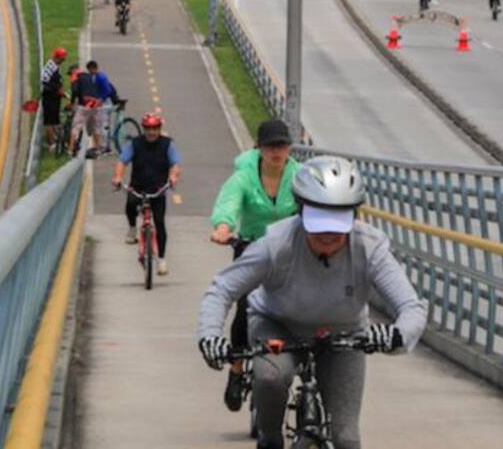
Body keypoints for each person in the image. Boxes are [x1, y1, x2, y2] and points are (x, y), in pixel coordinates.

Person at [197, 156, 426, 449]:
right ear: (301, 212)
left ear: (354, 217)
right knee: (270, 377)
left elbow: (411, 306)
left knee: (346, 438)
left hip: (344, 335)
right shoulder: (276, 243)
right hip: (278, 326)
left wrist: (396, 335)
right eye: (319, 224)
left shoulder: (369, 247)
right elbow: (222, 289)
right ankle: (269, 439)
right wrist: (210, 337)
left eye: (338, 224)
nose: (328, 235)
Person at [208, 119, 301, 412]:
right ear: (259, 148)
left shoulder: (299, 176)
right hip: (251, 248)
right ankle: (236, 370)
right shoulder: (244, 176)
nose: (276, 151)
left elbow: (315, 203)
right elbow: (229, 203)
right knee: (245, 309)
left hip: (289, 251)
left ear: (289, 148)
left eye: (282, 145)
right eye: (270, 146)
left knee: (302, 306)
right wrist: (223, 227)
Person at [111, 112, 181, 275]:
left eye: (155, 128)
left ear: (159, 128)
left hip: (158, 190)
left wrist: (173, 177)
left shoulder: (168, 145)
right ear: (143, 129)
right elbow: (122, 161)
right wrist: (118, 177)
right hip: (138, 187)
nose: (151, 132)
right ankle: (132, 228)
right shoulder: (134, 144)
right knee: (130, 204)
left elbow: (175, 164)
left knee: (160, 223)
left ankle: (161, 259)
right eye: (148, 128)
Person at [70, 60, 120, 158]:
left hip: (104, 102)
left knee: (102, 125)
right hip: (96, 103)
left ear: (94, 68)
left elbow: (108, 90)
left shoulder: (101, 77)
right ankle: (98, 146)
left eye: (90, 70)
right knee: (96, 125)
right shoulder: (94, 77)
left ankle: (104, 147)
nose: (89, 72)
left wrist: (101, 99)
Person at [40, 47, 68, 150]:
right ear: (58, 57)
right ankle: (52, 144)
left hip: (52, 97)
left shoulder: (53, 65)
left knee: (53, 120)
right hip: (50, 98)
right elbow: (50, 83)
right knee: (50, 122)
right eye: (62, 59)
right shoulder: (52, 68)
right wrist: (60, 91)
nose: (63, 61)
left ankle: (53, 139)